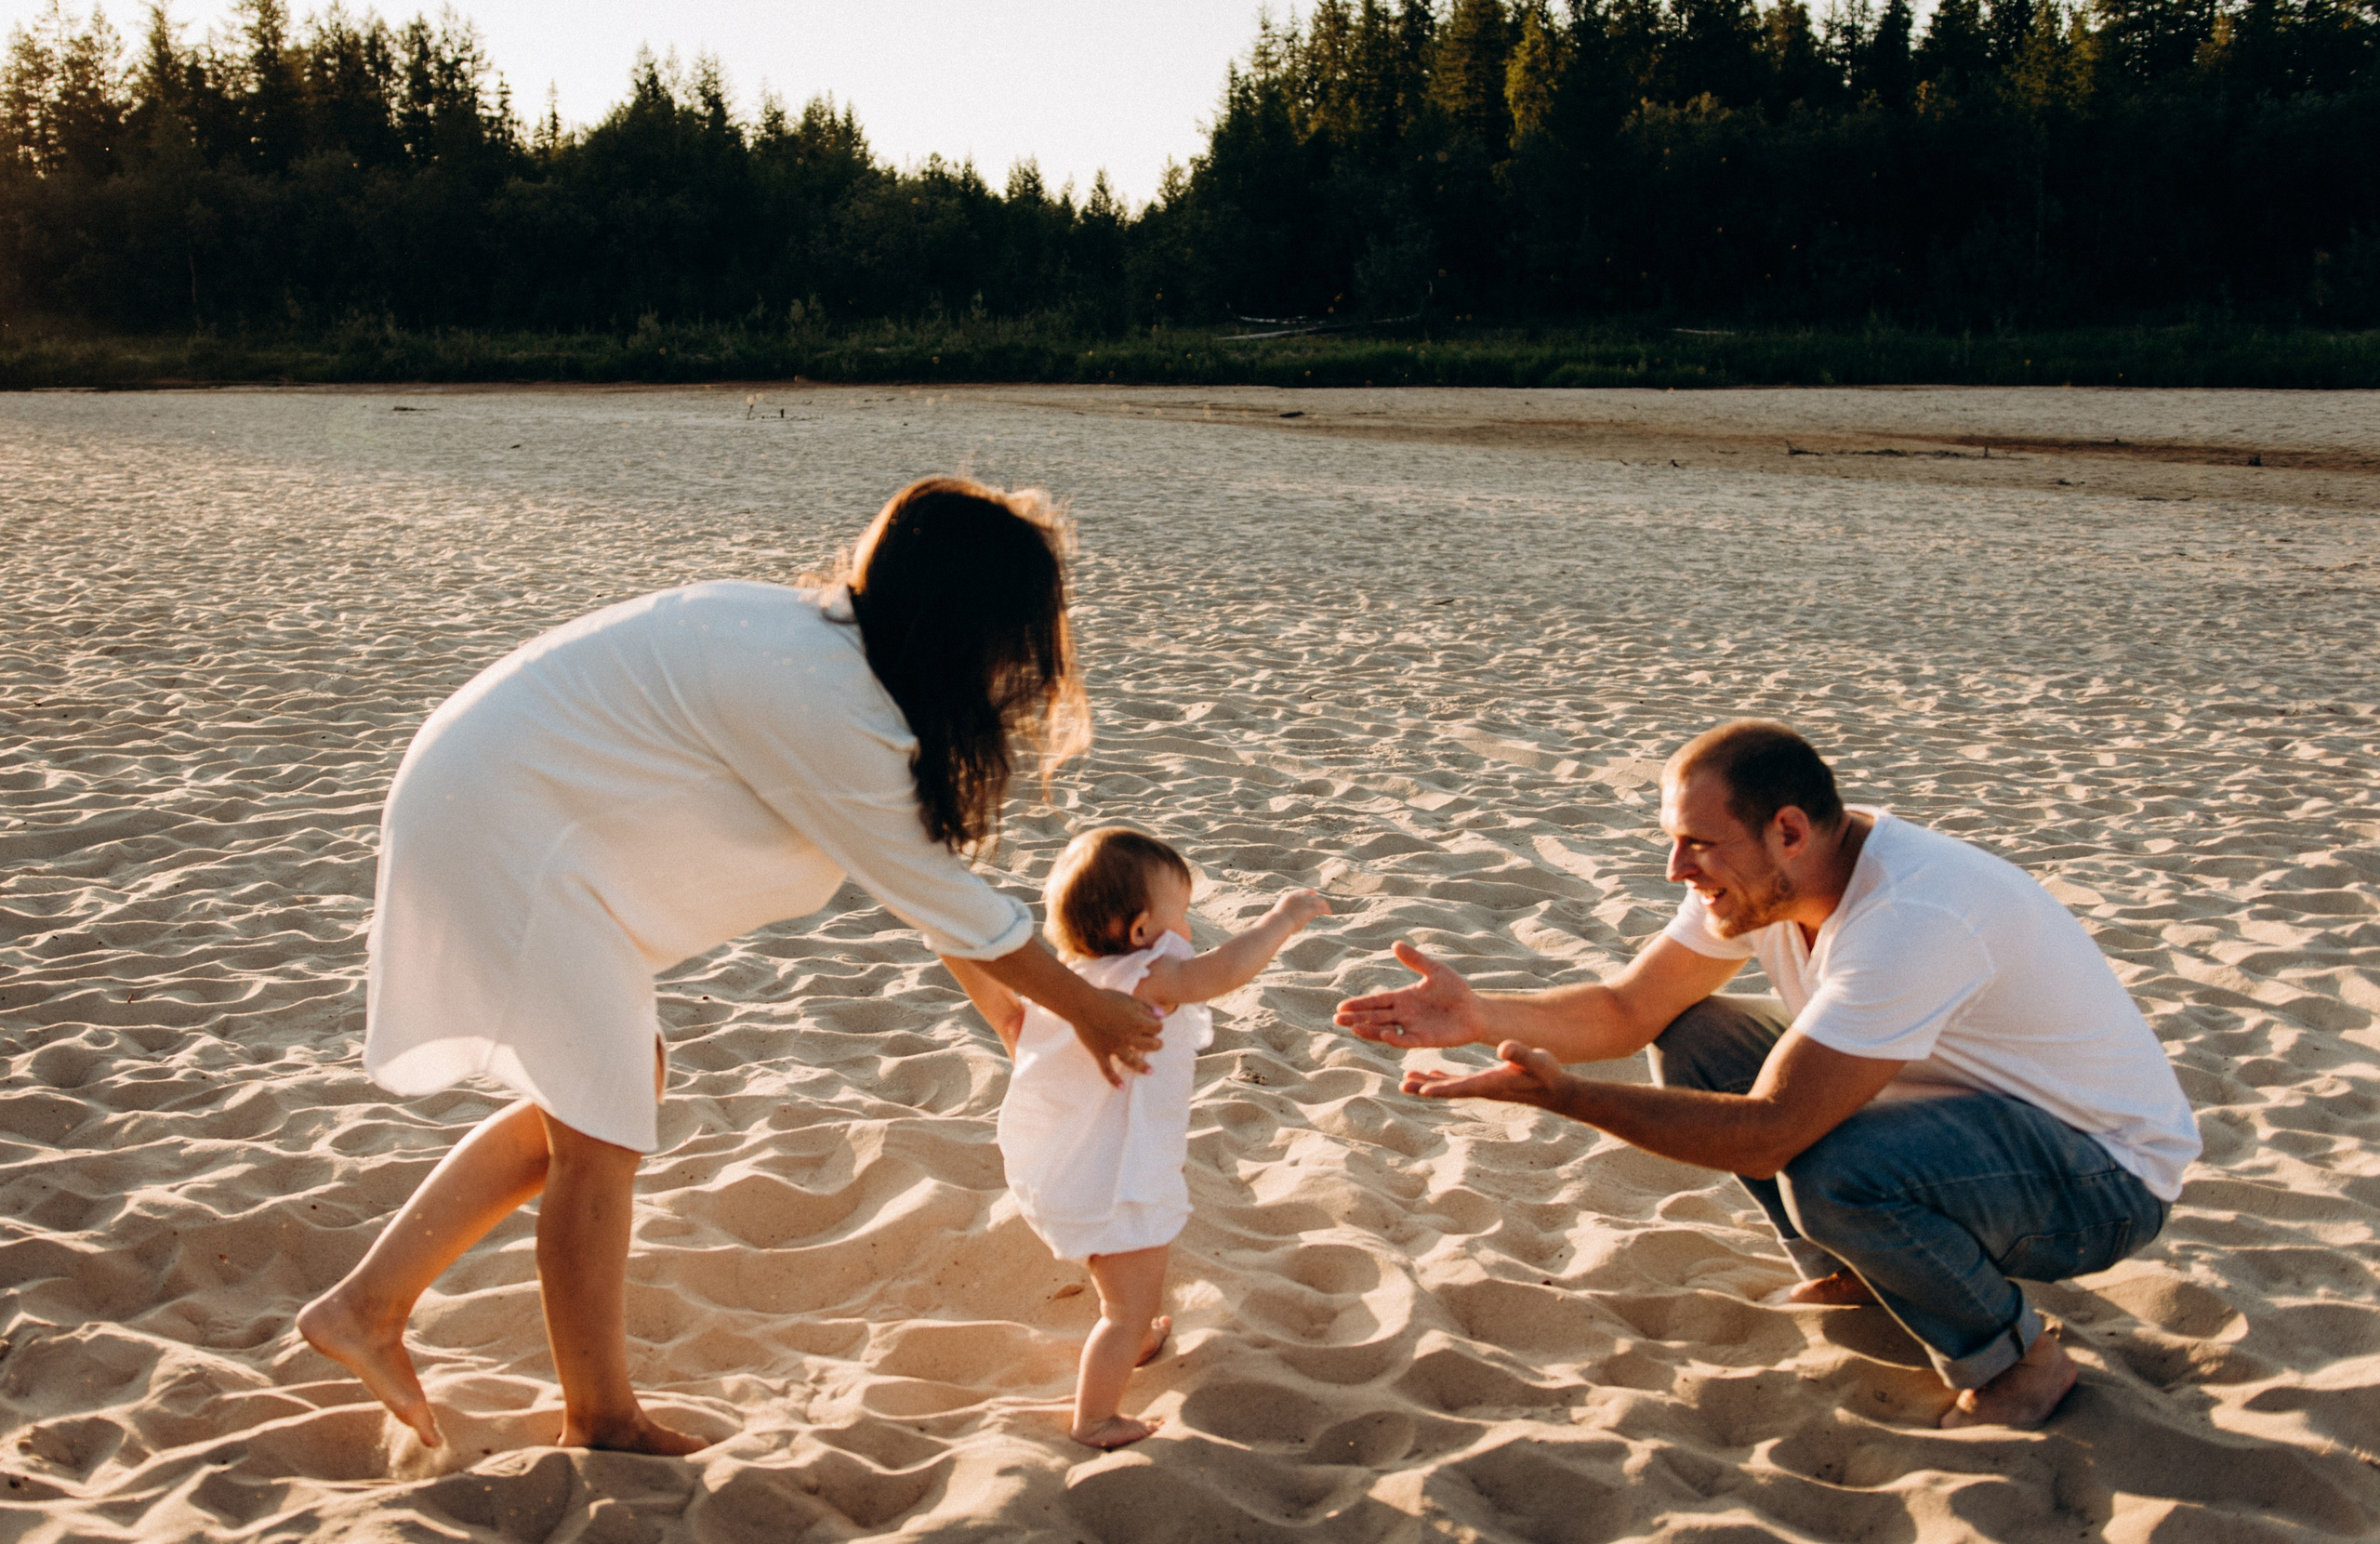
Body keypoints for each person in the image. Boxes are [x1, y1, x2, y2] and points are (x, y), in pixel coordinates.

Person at [297, 477, 1165, 1457]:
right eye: (1010, 636)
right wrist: (1082, 1012)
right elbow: (935, 888)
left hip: (500, 798)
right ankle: (600, 1417)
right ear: (959, 623)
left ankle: (364, 1306)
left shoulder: (830, 662)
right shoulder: (820, 691)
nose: (1016, 664)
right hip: (501, 818)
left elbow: (918, 877)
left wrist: (1016, 1020)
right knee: (599, 1125)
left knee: (610, 1091)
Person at [1335, 719, 2199, 1430]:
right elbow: (1631, 1007)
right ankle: (1861, 1265)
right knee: (1697, 1033)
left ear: (1788, 828)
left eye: (1698, 845)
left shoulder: (1911, 914)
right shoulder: (1774, 876)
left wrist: (1569, 1097)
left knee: (1834, 1171)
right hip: (1963, 1120)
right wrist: (1485, 1014)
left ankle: (2019, 1363)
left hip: (2100, 1177)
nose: (1678, 869)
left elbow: (1774, 1130)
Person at [950, 826, 1329, 1448]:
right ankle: (1096, 1414)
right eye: (1181, 915)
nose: (1188, 931)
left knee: (1134, 1284)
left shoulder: (1066, 988)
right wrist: (1281, 919)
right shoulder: (1149, 980)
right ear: (1140, 932)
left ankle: (1144, 1330)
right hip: (1116, 1181)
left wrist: (957, 948)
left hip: (1073, 1171)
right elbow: (1224, 969)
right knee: (1120, 1310)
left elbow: (1008, 1020)